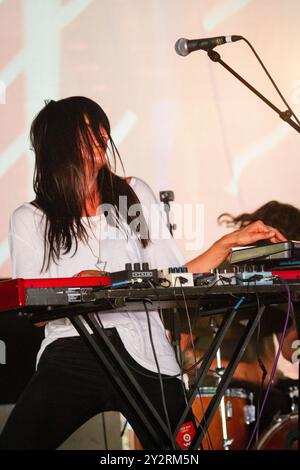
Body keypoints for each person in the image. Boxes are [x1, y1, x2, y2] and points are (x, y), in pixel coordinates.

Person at [0, 97, 285, 450]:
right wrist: (80, 287)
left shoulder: (133, 195)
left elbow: (173, 276)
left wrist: (227, 244)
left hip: (145, 348)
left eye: (102, 127)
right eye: (88, 129)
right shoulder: (30, 218)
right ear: (59, 141)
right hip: (74, 349)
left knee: (182, 454)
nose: (102, 134)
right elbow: (36, 315)